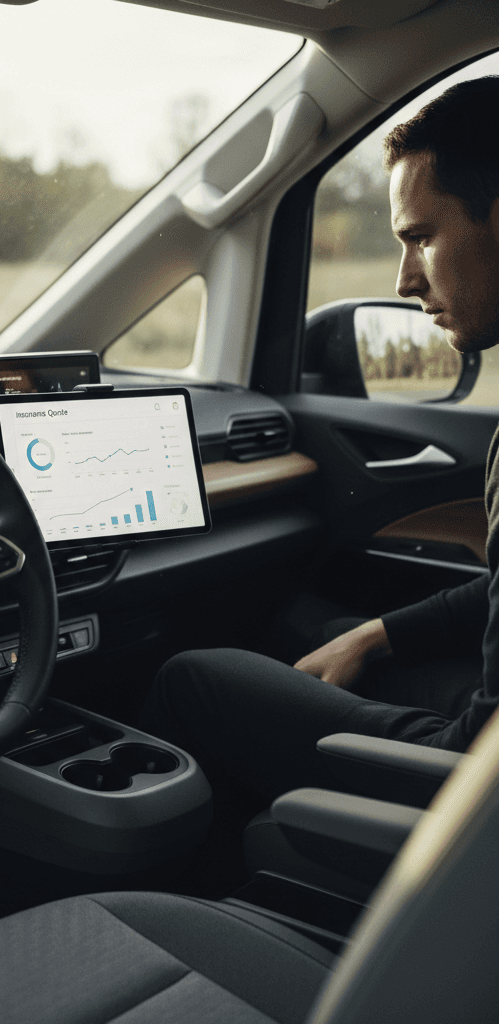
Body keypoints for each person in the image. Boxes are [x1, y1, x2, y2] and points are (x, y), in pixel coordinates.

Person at [143, 77, 499, 806]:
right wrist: (377, 635)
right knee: (329, 632)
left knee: (196, 679)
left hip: (469, 819)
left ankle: (262, 903)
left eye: (421, 238)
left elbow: (473, 774)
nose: (405, 280)